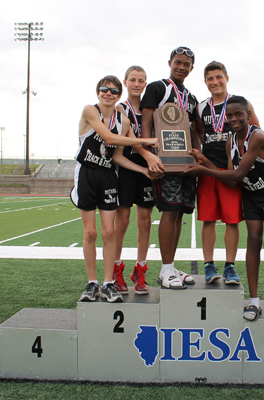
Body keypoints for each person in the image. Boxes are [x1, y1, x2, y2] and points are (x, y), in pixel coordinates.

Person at [186, 96, 264, 321]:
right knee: (253, 241)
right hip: (251, 194)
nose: (233, 119)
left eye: (238, 114)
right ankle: (253, 301)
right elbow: (232, 181)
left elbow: (238, 174)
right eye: (229, 115)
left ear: (248, 115)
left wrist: (203, 170)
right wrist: (205, 160)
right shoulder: (230, 141)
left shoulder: (257, 136)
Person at [71, 75, 159, 303]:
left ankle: (108, 283)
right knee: (90, 232)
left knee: (109, 232)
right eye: (104, 89)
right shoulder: (90, 111)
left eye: (113, 91)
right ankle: (92, 282)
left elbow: (119, 156)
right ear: (98, 92)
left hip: (108, 176)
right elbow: (109, 137)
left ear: (119, 95)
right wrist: (147, 141)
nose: (108, 94)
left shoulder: (124, 121)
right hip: (87, 175)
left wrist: (142, 171)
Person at [140, 46, 201, 289]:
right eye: (178, 62)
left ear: (191, 68)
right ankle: (165, 270)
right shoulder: (158, 88)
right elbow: (146, 122)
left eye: (186, 64)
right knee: (169, 210)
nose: (182, 67)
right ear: (170, 62)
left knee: (179, 214)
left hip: (186, 163)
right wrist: (148, 156)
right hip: (164, 161)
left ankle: (171, 265)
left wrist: (197, 158)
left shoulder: (192, 97)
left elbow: (194, 131)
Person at [196, 61, 260, 285]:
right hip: (207, 169)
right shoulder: (201, 107)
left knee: (232, 220)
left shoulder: (240, 103)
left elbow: (255, 132)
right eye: (210, 78)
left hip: (232, 169)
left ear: (227, 78)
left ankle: (230, 266)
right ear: (205, 82)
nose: (215, 82)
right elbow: (201, 134)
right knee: (208, 219)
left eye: (218, 77)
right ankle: (208, 265)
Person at [113, 66, 157, 295]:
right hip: (128, 167)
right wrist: (146, 157)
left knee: (145, 220)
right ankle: (116, 270)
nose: (137, 84)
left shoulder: (152, 109)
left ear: (145, 83)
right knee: (122, 221)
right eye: (133, 80)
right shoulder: (120, 108)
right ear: (125, 82)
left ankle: (140, 271)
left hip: (148, 168)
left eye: (141, 80)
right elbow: (125, 142)